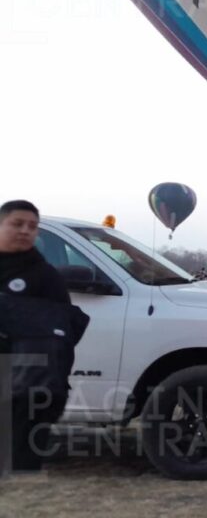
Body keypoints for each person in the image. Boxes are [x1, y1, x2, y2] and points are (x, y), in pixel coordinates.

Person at [0, 200, 89, 472]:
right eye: (17, 224)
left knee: (19, 462)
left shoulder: (45, 277)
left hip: (24, 386)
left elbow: (63, 334)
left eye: (32, 226)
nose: (25, 231)